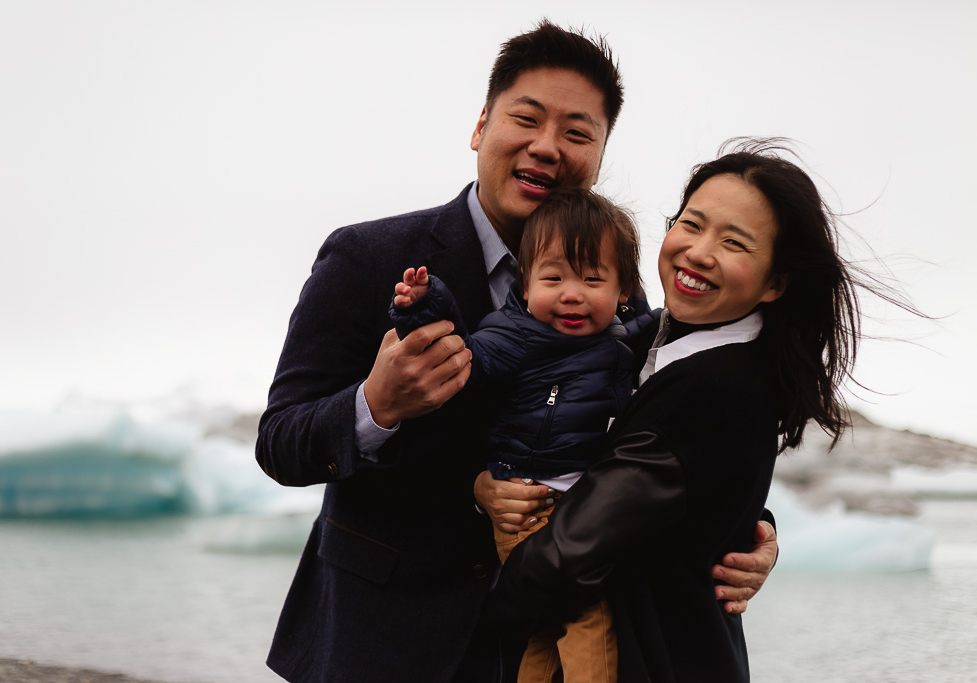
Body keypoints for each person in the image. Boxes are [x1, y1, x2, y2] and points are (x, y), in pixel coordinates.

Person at [255, 21, 778, 682]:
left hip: (539, 645)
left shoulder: (611, 284)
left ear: (599, 154)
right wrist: (376, 403)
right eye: (526, 119)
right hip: (382, 641)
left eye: (578, 133)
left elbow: (651, 433)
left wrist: (753, 531)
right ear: (481, 127)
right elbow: (280, 442)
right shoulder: (368, 258)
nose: (547, 147)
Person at [487, 139, 877, 682]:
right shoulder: (658, 339)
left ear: (775, 283)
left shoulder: (714, 385)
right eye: (692, 224)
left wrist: (480, 616)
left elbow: (572, 554)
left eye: (734, 243)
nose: (698, 251)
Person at [391, 189, 640, 682]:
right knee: (586, 613)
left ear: (623, 292)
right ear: (525, 286)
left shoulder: (619, 339)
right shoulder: (515, 335)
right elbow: (467, 359)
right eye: (554, 278)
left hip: (575, 502)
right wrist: (425, 309)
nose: (573, 293)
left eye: (593, 279)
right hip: (527, 503)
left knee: (547, 628)